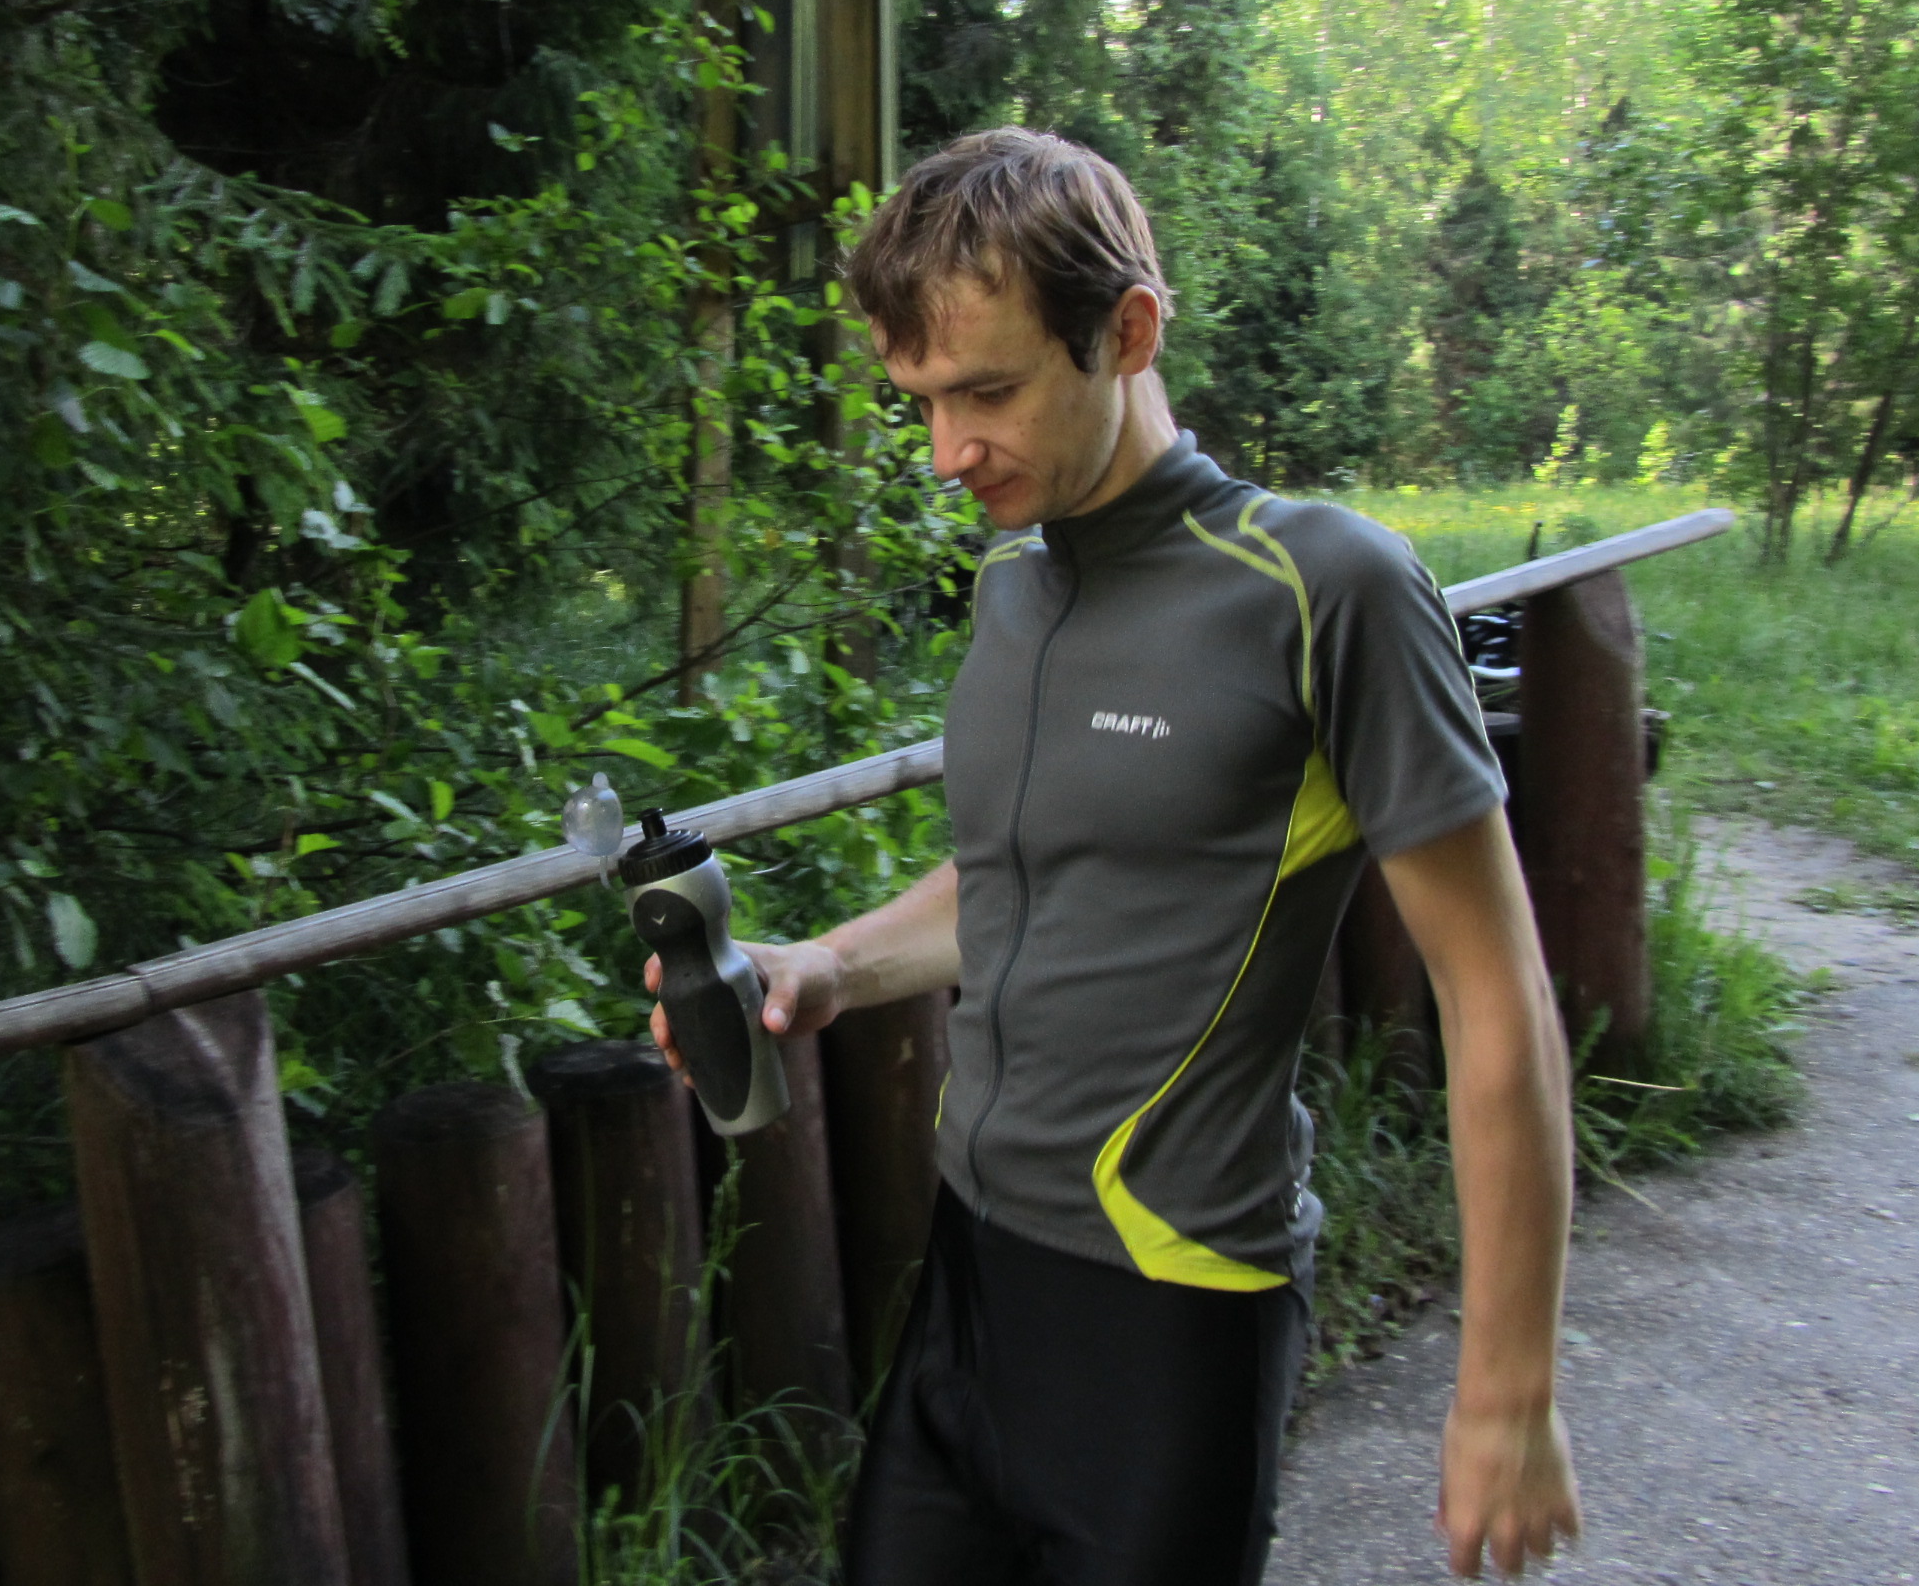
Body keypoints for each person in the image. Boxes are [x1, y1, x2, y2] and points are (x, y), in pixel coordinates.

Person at [647, 128, 1582, 1584]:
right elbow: (1027, 876)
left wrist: (1507, 1388)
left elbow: (1495, 992)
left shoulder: (1327, 588)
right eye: (922, 401)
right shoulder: (1015, 590)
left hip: (1172, 1312)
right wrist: (829, 965)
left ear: (1129, 332)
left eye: (989, 392)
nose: (949, 452)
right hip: (967, 1282)